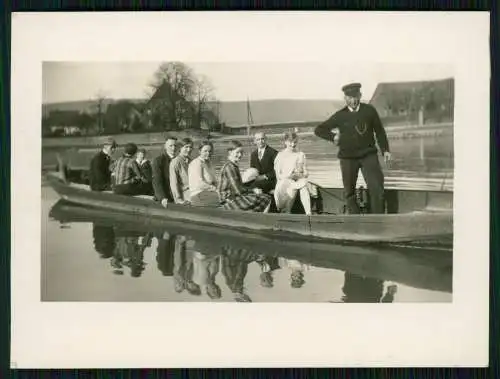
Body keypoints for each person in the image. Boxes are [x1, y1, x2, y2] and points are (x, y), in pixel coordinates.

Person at [314, 82, 392, 214]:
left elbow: (379, 131)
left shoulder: (369, 111)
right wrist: (333, 137)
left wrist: (385, 150)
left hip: (368, 155)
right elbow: (319, 130)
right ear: (345, 98)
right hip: (348, 158)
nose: (353, 100)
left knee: (376, 188)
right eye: (350, 98)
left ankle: (377, 220)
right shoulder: (340, 115)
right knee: (349, 192)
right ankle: (355, 219)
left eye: (356, 96)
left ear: (360, 95)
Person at [217, 140, 272, 213]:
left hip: (234, 197)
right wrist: (253, 191)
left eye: (241, 152)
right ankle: (259, 219)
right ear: (230, 152)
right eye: (237, 152)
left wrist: (253, 190)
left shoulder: (233, 165)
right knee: (266, 198)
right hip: (228, 200)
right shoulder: (229, 167)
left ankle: (254, 217)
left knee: (264, 197)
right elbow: (237, 190)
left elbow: (239, 188)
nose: (240, 155)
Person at [273, 132, 313, 215]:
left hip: (297, 181)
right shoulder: (280, 156)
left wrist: (301, 175)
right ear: (285, 142)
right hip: (283, 184)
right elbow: (278, 176)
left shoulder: (300, 154)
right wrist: (290, 177)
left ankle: (308, 213)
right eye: (290, 142)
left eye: (295, 142)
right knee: (293, 186)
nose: (293, 144)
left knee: (303, 187)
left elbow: (305, 172)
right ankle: (287, 211)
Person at [188, 140, 220, 207]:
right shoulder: (196, 163)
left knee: (227, 195)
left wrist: (220, 188)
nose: (208, 153)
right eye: (205, 151)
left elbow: (215, 180)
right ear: (199, 151)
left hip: (209, 193)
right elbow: (199, 184)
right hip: (198, 195)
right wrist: (215, 189)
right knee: (222, 197)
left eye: (210, 151)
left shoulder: (209, 163)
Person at [152, 136, 177, 208]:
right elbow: (157, 181)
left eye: (175, 145)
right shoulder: (159, 160)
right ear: (165, 146)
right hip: (166, 197)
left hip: (178, 196)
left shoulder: (178, 160)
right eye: (171, 146)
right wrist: (162, 197)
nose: (173, 148)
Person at [169, 138, 194, 204]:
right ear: (180, 148)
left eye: (191, 147)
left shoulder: (191, 161)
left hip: (194, 191)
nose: (189, 150)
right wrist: (178, 199)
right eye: (186, 147)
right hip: (185, 195)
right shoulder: (175, 162)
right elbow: (174, 183)